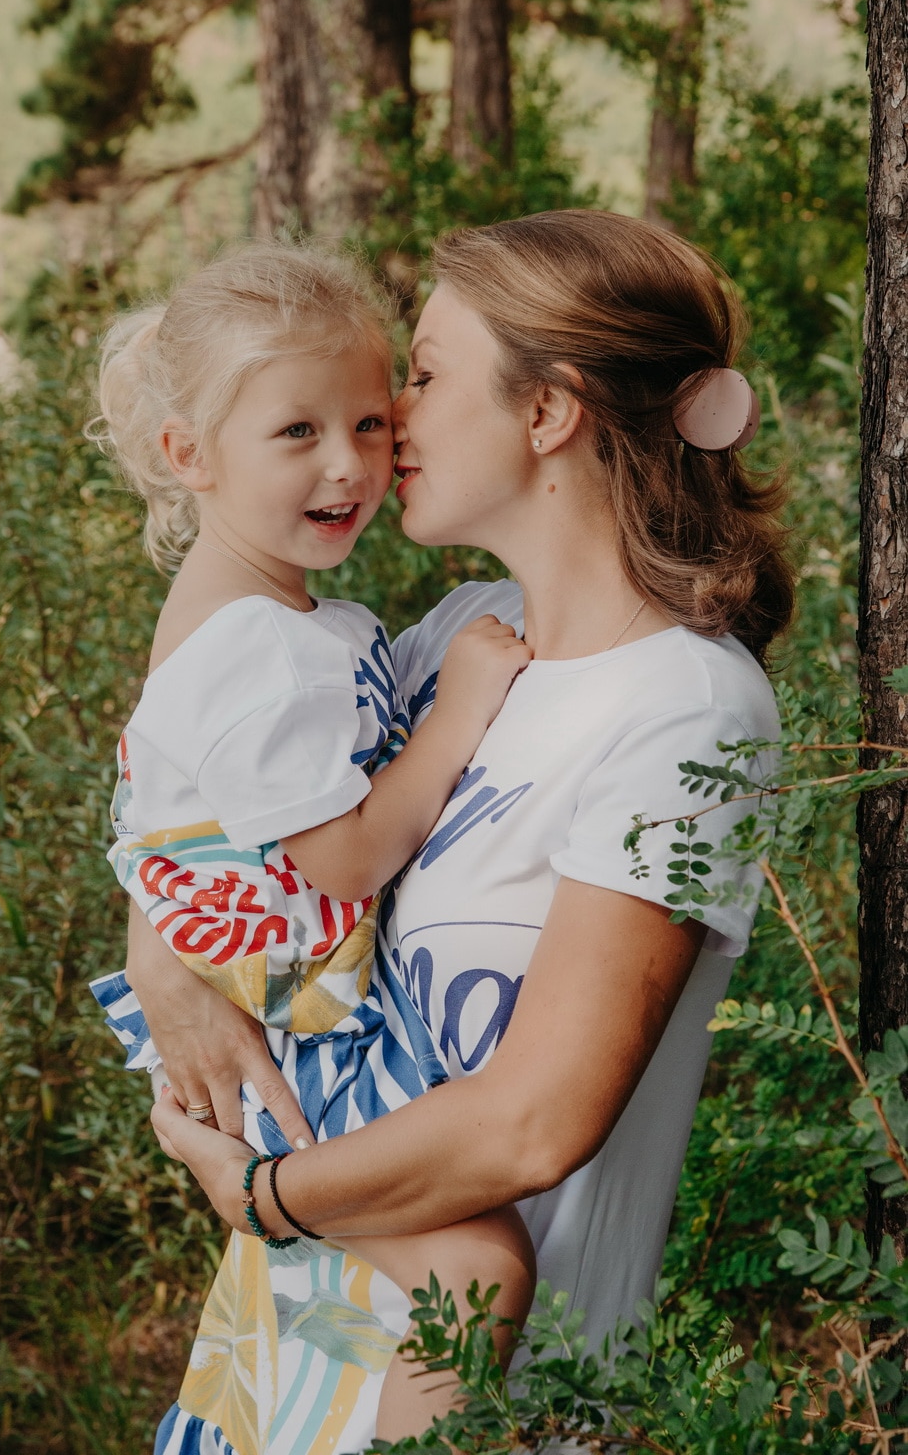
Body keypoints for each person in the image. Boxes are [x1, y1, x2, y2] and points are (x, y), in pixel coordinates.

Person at [133, 209, 793, 1455]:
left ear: (544, 413)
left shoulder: (685, 711)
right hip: (284, 1363)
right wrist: (162, 963)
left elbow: (530, 1123)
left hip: (490, 1398)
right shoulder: (463, 634)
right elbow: (231, 805)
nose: (389, 417)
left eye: (424, 377)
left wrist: (258, 1192)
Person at [87, 243, 538, 1444]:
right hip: (298, 1039)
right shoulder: (260, 649)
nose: (348, 463)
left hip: (295, 1012)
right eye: (296, 432)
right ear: (189, 455)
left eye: (368, 421)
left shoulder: (265, 611)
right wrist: (457, 712)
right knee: (475, 1273)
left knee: (331, 1312)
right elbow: (339, 862)